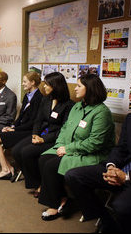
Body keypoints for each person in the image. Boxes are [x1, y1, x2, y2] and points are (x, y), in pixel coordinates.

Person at [65, 78, 131, 233]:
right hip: (118, 170)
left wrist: (126, 177)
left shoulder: (102, 112)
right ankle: (105, 219)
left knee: (121, 207)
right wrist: (112, 166)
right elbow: (121, 149)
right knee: (74, 176)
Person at [38, 74, 115, 221]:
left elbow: (95, 143)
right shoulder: (78, 106)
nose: (76, 88)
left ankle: (55, 205)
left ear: (90, 89)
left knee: (51, 165)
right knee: (44, 158)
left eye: (79, 86)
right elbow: (65, 129)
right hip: (71, 147)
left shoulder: (102, 112)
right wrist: (60, 146)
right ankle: (62, 198)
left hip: (92, 154)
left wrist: (68, 149)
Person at [11, 72, 74, 196]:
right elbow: (38, 120)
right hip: (40, 134)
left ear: (56, 86)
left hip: (54, 138)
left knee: (27, 152)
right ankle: (37, 182)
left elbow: (63, 129)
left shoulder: (69, 105)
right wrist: (35, 134)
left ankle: (42, 184)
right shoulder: (46, 100)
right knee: (16, 151)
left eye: (47, 84)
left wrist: (43, 140)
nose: (44, 87)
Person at [0, 71, 43, 180]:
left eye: (25, 81)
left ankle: (6, 170)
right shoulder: (27, 96)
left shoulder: (39, 98)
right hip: (20, 129)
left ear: (32, 82)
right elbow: (20, 116)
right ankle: (8, 167)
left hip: (29, 131)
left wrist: (15, 129)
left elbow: (33, 122)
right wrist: (12, 126)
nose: (22, 84)